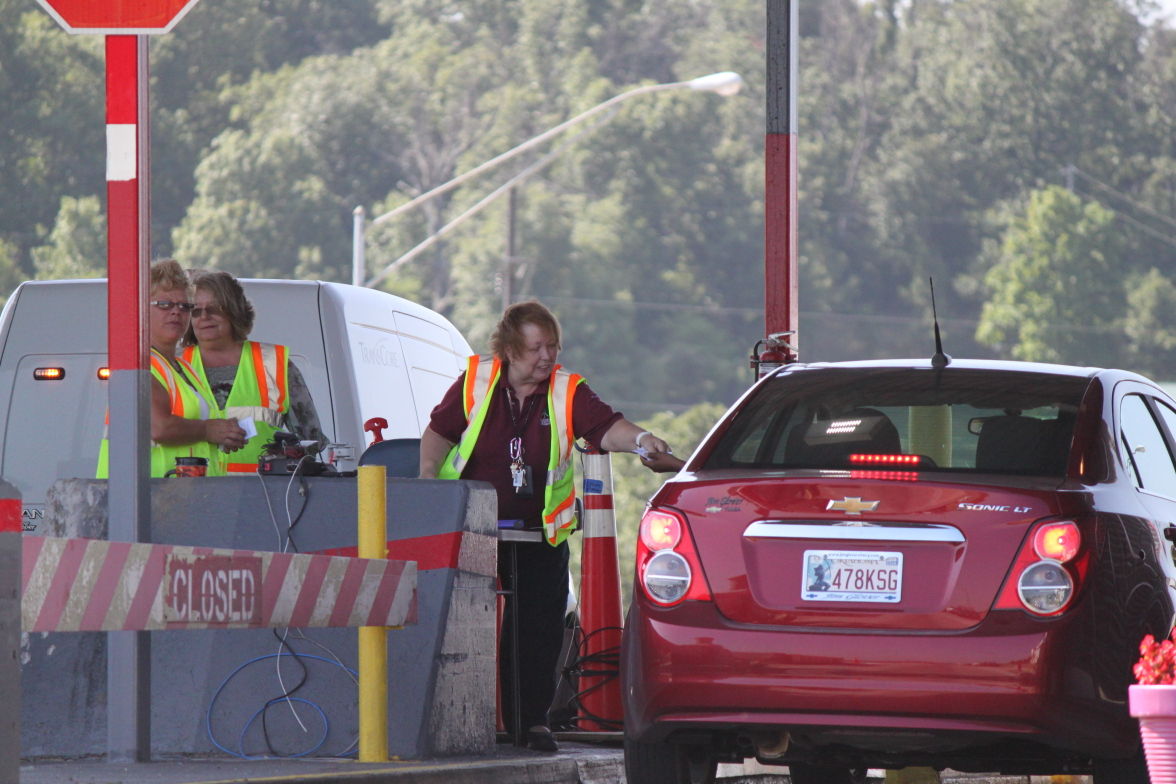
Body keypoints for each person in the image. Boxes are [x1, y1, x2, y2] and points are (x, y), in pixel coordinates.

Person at [419, 300, 677, 752]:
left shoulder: (567, 390)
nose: (547, 357)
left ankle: (531, 723)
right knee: (464, 627)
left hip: (541, 533)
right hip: (475, 528)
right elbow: (439, 432)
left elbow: (607, 427)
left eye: (553, 346)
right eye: (537, 347)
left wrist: (640, 440)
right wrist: (426, 482)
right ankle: (460, 723)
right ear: (510, 349)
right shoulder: (476, 382)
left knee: (538, 629)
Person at [96, 259, 246, 478]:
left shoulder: (184, 368)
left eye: (185, 306)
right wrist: (208, 430)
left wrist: (224, 434)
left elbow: (200, 429)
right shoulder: (137, 363)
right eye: (164, 305)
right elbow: (159, 427)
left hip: (184, 498)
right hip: (143, 502)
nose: (176, 312)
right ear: (140, 310)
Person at [180, 270, 326, 474]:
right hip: (192, 495)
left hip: (263, 496)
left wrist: (282, 457)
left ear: (234, 311)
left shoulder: (275, 364)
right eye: (195, 310)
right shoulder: (174, 365)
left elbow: (312, 440)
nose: (204, 317)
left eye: (215, 309)